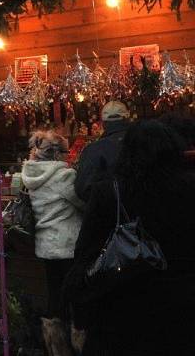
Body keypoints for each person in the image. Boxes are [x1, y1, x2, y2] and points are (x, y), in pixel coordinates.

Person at [66, 120, 195, 355]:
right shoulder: (188, 190)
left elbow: (85, 258)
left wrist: (81, 316)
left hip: (120, 316)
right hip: (182, 316)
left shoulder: (111, 193)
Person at [21, 130, 83, 353]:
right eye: (66, 151)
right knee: (76, 296)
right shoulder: (63, 176)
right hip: (68, 245)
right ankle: (78, 344)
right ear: (57, 153)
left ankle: (55, 346)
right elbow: (82, 201)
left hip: (46, 246)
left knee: (54, 295)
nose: (69, 155)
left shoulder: (31, 175)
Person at [74, 101, 130, 202]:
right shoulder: (145, 142)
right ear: (127, 119)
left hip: (109, 213)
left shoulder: (94, 150)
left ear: (103, 124)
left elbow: (82, 189)